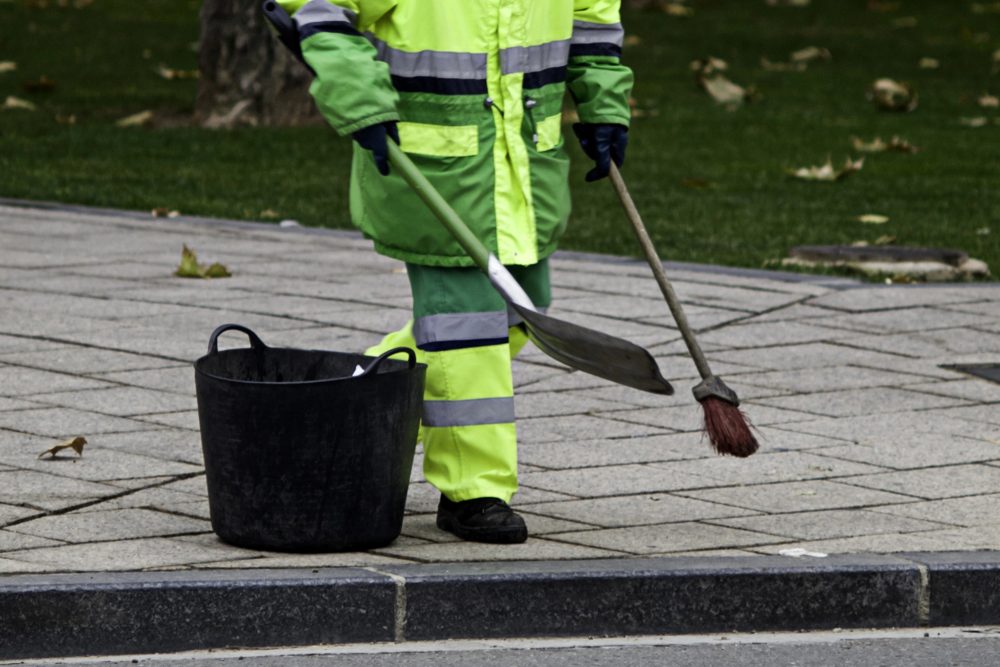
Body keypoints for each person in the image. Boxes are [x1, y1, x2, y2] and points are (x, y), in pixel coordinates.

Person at [276, 0, 632, 544]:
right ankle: (474, 491)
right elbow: (320, 13)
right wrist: (360, 102)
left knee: (515, 316)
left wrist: (604, 104)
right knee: (465, 330)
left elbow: (592, 25)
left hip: (522, 174)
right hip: (434, 169)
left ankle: (347, 398)